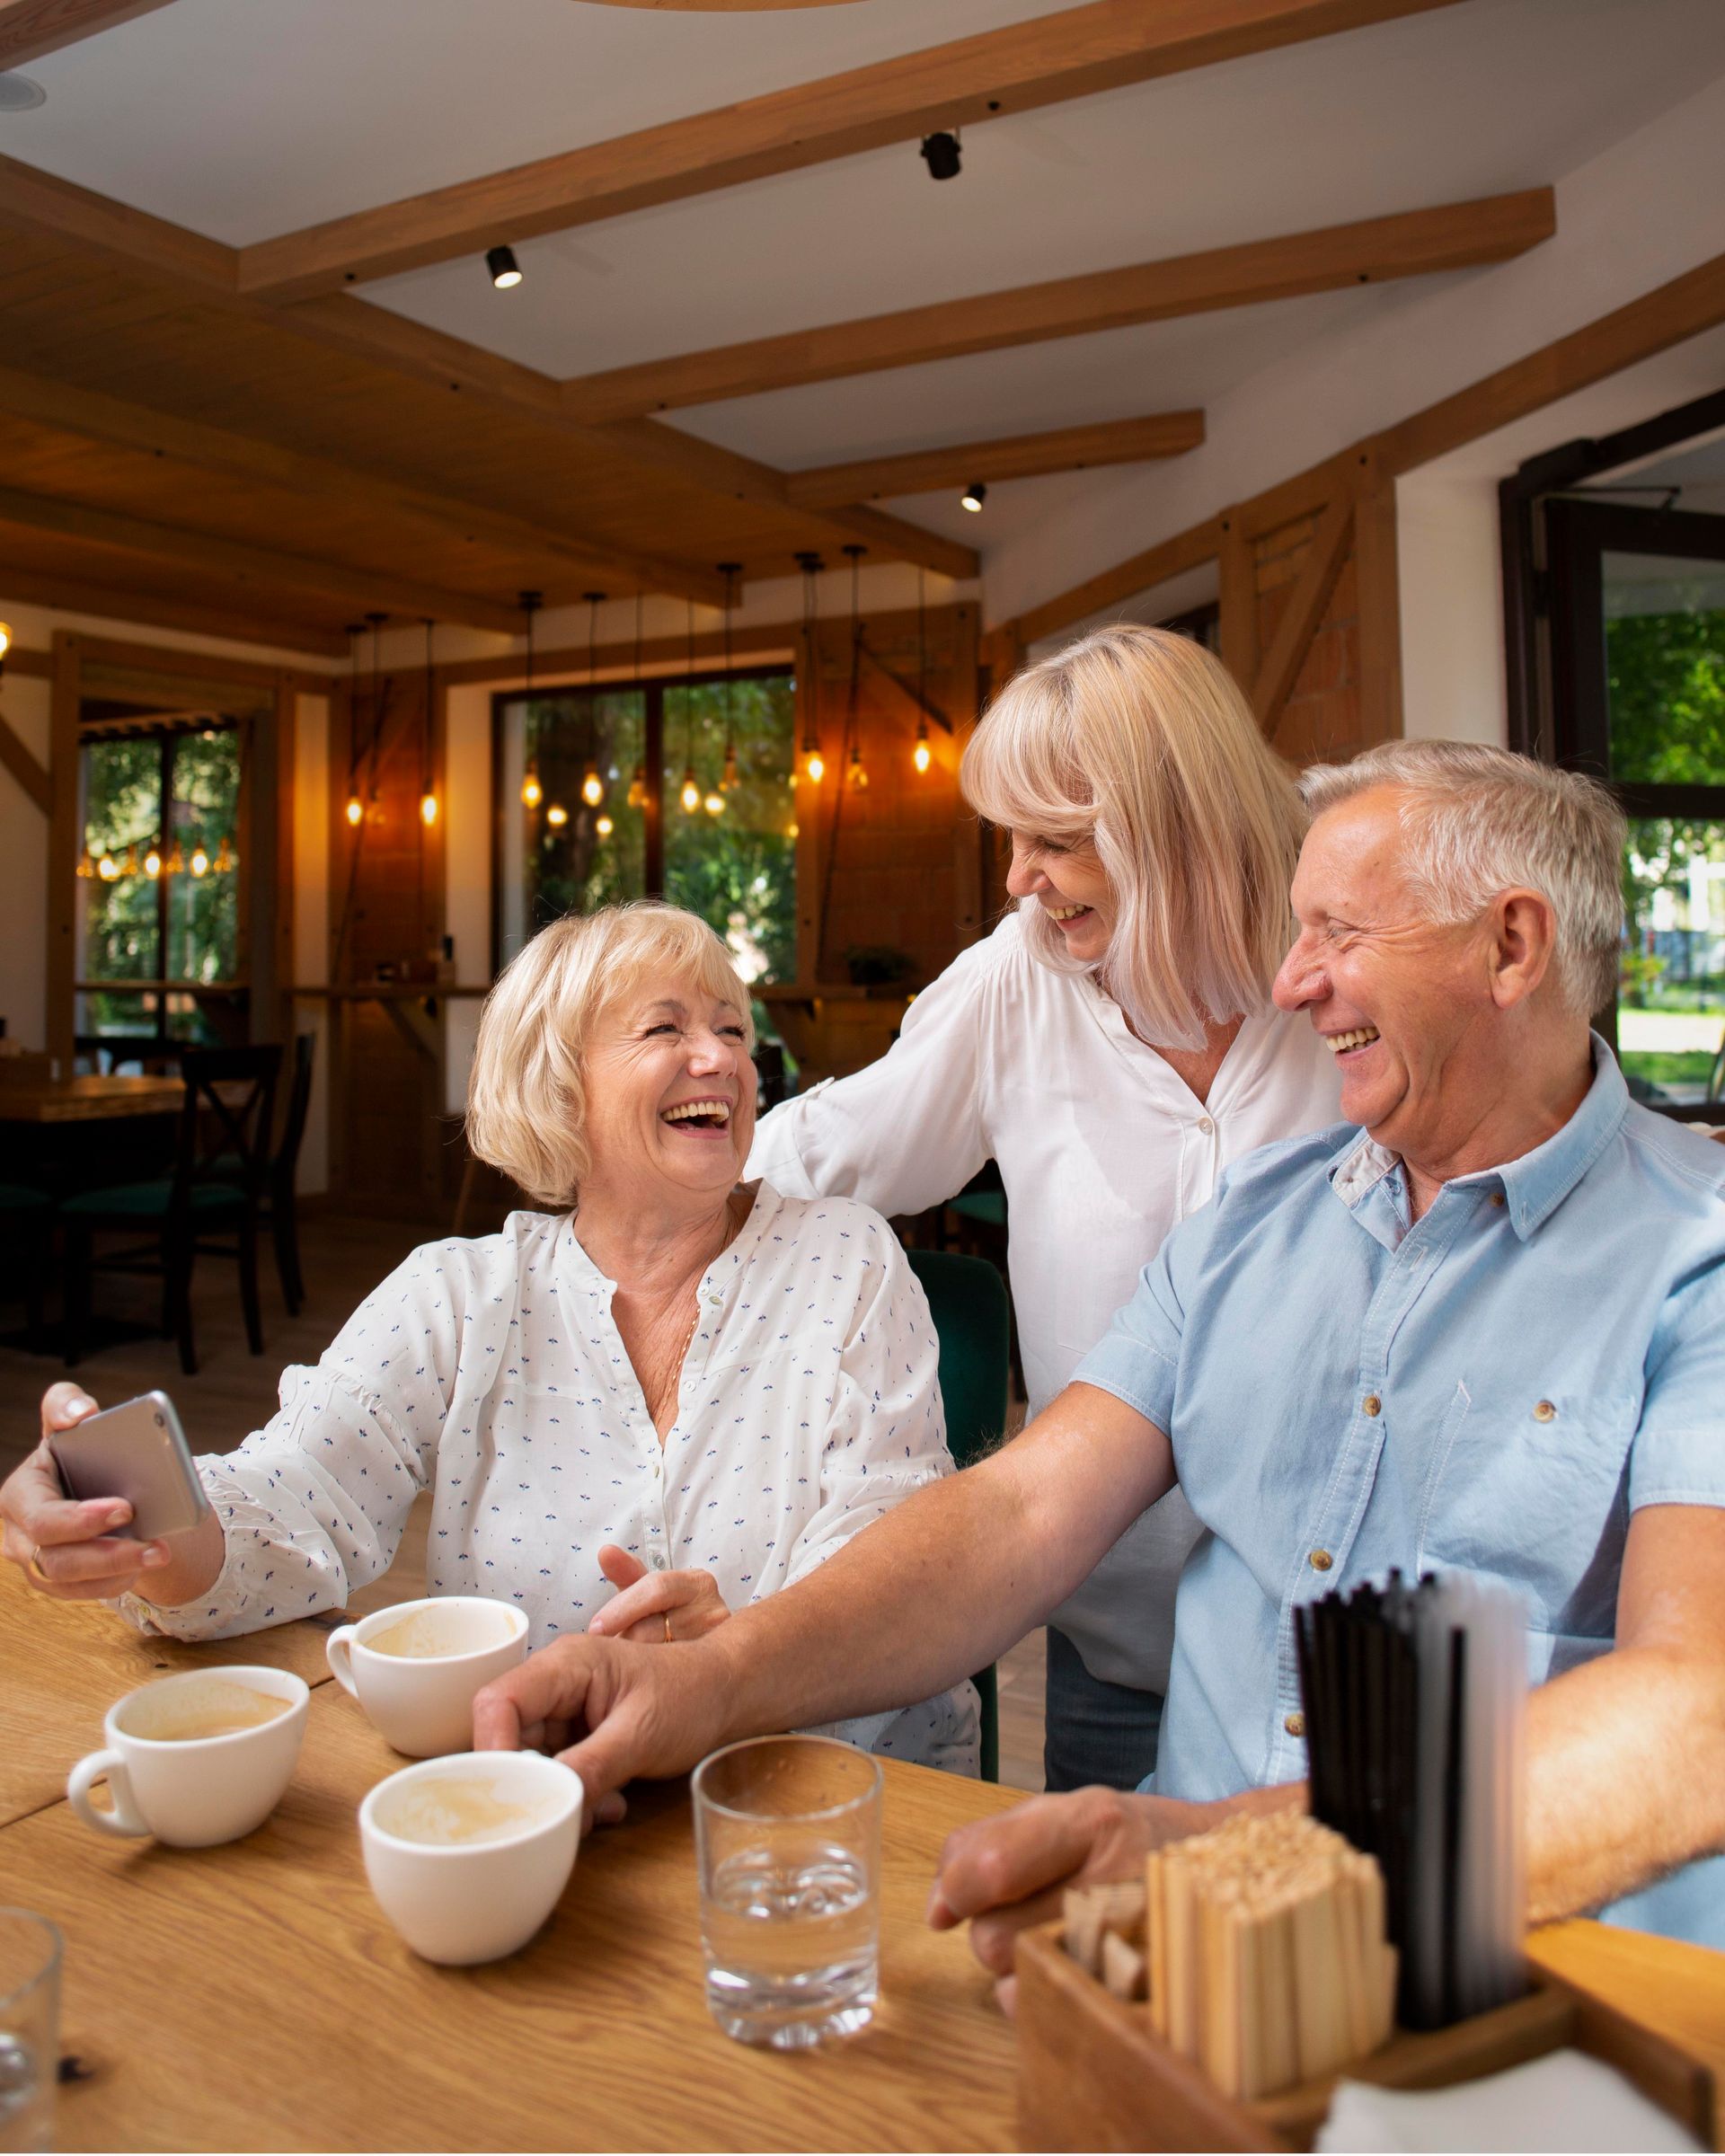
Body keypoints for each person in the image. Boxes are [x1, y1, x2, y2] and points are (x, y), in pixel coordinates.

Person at [470, 742, 1725, 1957]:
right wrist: (708, 1683)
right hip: (1175, 1962)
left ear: (1511, 946)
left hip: (1543, 1981)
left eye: (1340, 934)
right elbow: (1018, 1515)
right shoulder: (1248, 1229)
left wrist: (1227, 1862)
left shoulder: (1698, 1258)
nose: (1291, 984)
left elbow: (1691, 1718)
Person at [2, 904, 976, 1774]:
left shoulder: (845, 1258)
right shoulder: (460, 1298)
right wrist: (141, 1526)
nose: (723, 1058)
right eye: (667, 1028)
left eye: (733, 1030)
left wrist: (742, 1657)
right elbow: (301, 1493)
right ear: (561, 1089)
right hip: (542, 1802)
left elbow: (891, 1559)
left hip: (819, 1809)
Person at [749, 623, 1339, 1790]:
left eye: (1056, 842)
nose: (1018, 877)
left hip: (1347, 1670)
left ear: (1170, 834)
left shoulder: (1342, 978)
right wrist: (656, 1172)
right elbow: (843, 1151)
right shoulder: (1022, 976)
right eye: (1013, 839)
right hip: (1119, 1652)